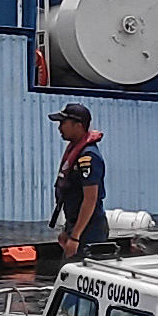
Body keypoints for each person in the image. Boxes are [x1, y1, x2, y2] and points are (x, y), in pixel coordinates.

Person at [51, 102, 110, 260]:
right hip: (76, 227)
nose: (59, 128)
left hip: (89, 231)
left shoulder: (88, 157)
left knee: (78, 271)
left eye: (63, 123)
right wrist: (67, 230)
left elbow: (90, 199)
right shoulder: (75, 152)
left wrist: (75, 237)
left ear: (78, 125)